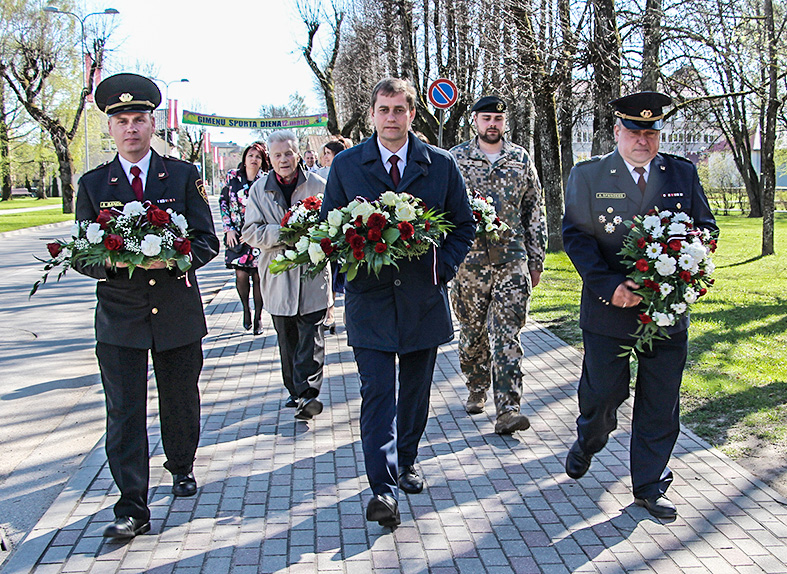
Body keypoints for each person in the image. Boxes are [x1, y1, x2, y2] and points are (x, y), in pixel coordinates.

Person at [321, 78, 475, 528]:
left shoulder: (440, 165)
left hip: (422, 299)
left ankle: (406, 459)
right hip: (369, 302)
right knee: (377, 395)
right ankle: (382, 489)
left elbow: (462, 226)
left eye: (399, 110)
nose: (391, 118)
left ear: (412, 114)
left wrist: (440, 269)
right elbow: (331, 229)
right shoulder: (349, 165)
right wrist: (351, 261)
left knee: (414, 394)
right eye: (384, 110)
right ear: (372, 115)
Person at [73, 73, 219, 538]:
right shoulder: (94, 184)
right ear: (110, 129)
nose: (131, 128)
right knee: (124, 412)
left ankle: (181, 464)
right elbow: (82, 252)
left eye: (139, 119)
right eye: (122, 121)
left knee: (180, 400)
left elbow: (207, 241)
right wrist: (121, 262)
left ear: (153, 124)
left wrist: (174, 259)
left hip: (176, 311)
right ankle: (132, 504)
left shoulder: (181, 175)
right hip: (121, 318)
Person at [562, 91, 718, 519]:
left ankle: (651, 484)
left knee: (661, 400)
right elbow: (576, 237)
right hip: (609, 308)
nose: (643, 140)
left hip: (666, 310)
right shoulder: (590, 175)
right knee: (602, 397)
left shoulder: (680, 174)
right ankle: (590, 438)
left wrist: (690, 263)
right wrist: (608, 286)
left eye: (651, 132)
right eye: (634, 131)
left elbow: (705, 228)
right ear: (617, 132)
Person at [449, 95, 547, 434]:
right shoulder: (456, 159)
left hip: (512, 259)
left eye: (499, 119)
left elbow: (534, 209)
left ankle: (508, 409)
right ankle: (477, 385)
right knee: (472, 332)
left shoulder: (520, 159)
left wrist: (537, 260)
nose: (493, 124)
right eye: (487, 118)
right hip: (469, 262)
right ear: (474, 121)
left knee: (507, 333)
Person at [242, 130, 332, 419]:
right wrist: (284, 233)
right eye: (277, 154)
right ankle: (295, 391)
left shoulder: (318, 185)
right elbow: (250, 232)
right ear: (270, 157)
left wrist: (313, 235)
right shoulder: (259, 190)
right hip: (278, 278)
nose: (284, 159)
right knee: (288, 340)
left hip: (312, 275)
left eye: (288, 153)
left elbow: (334, 225)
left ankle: (308, 394)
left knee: (312, 337)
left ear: (298, 154)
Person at [220, 143, 269, 335]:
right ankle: (246, 310)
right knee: (241, 275)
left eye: (258, 156)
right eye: (251, 155)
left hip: (257, 235)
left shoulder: (265, 180)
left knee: (258, 278)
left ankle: (258, 317)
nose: (254, 159)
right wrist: (228, 229)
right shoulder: (233, 177)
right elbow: (223, 202)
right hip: (237, 235)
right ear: (245, 158)